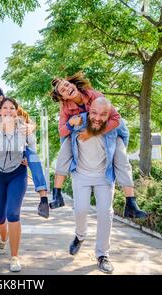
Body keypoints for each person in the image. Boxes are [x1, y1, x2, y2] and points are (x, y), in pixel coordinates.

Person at [50, 72, 147, 219]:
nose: (67, 88)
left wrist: (91, 133)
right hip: (84, 130)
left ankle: (131, 203)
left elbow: (116, 119)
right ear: (63, 98)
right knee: (65, 145)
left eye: (67, 84)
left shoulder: (95, 95)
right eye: (63, 90)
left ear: (73, 84)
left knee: (120, 155)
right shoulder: (65, 108)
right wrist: (70, 123)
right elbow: (61, 132)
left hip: (106, 127)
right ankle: (57, 194)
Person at [67, 97, 127, 274]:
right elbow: (65, 135)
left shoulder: (114, 124)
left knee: (105, 213)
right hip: (81, 174)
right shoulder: (79, 121)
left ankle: (102, 254)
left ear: (109, 115)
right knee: (80, 209)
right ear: (89, 109)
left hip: (104, 175)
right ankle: (80, 235)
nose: (98, 118)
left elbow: (125, 136)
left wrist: (117, 161)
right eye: (94, 112)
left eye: (103, 114)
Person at [0, 85, 49, 224]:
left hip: (16, 146)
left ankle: (43, 199)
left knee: (33, 155)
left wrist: (31, 127)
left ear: (1, 97)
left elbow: (31, 126)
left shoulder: (14, 108)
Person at [0, 97, 41, 272]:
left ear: (16, 111)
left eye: (12, 108)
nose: (8, 111)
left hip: (18, 172)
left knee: (12, 213)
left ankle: (14, 256)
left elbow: (33, 148)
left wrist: (26, 157)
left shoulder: (24, 129)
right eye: (5, 108)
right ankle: (3, 238)